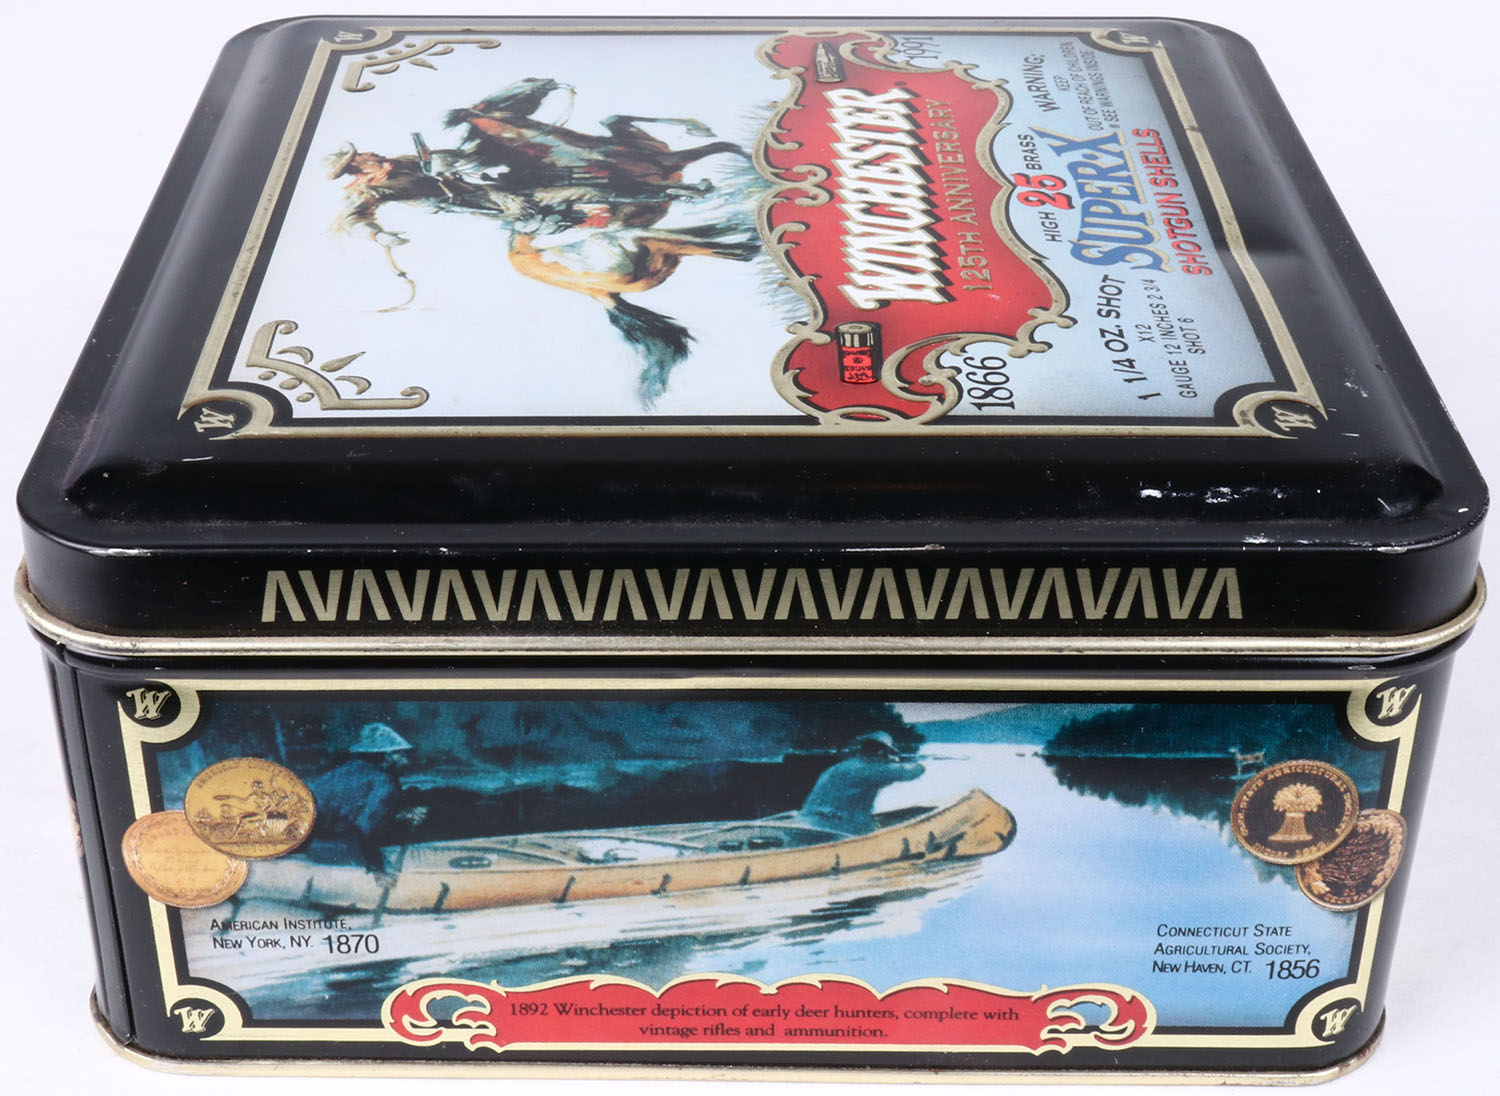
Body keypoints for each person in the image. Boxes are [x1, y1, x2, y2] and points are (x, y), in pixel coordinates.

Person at [302, 723, 428, 875]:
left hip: (314, 846)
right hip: (339, 850)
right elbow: (364, 831)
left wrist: (401, 815)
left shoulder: (344, 771)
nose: (406, 761)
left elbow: (353, 812)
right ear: (387, 756)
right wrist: (378, 871)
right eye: (400, 754)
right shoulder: (384, 782)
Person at [798, 732, 925, 836]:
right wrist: (904, 762)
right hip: (841, 829)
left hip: (807, 820)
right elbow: (915, 770)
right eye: (885, 752)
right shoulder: (871, 770)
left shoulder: (834, 769)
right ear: (881, 752)